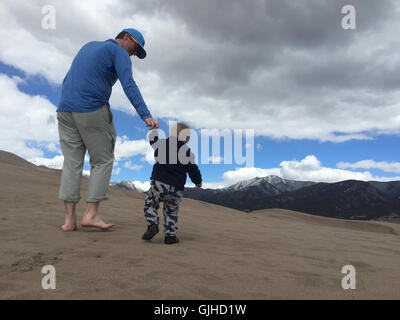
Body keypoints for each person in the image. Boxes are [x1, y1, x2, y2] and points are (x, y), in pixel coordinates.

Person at [57, 28, 159, 232]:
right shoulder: (119, 52)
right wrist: (145, 114)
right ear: (126, 38)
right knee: (103, 160)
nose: (133, 54)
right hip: (91, 108)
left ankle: (69, 221)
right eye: (135, 48)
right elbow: (128, 83)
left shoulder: (88, 46)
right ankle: (91, 215)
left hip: (65, 110)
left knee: (72, 162)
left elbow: (67, 80)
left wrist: (70, 101)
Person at [143, 123, 202, 244]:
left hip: (159, 183)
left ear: (171, 134)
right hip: (176, 189)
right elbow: (193, 169)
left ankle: (152, 225)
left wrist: (154, 130)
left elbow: (153, 140)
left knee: (150, 204)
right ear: (187, 139)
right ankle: (170, 236)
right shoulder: (187, 152)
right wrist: (198, 181)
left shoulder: (163, 144)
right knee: (171, 211)